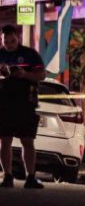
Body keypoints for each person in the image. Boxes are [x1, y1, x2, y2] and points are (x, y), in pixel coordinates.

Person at [0, 24, 47, 188]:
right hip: (4, 104)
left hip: (25, 103)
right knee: (5, 141)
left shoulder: (29, 54)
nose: (9, 44)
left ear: (17, 38)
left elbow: (42, 75)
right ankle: (7, 176)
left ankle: (31, 177)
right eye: (6, 41)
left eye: (12, 40)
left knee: (27, 141)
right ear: (2, 39)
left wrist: (24, 74)